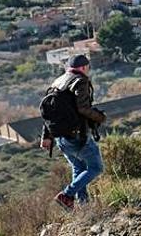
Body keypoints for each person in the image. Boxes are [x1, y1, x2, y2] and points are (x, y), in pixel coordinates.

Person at [40, 55, 106, 209]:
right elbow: (83, 108)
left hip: (61, 138)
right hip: (77, 135)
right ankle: (66, 195)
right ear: (83, 67)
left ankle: (83, 206)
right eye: (88, 67)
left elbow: (49, 113)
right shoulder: (80, 81)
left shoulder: (57, 82)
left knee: (79, 168)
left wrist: (46, 136)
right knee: (96, 168)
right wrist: (100, 117)